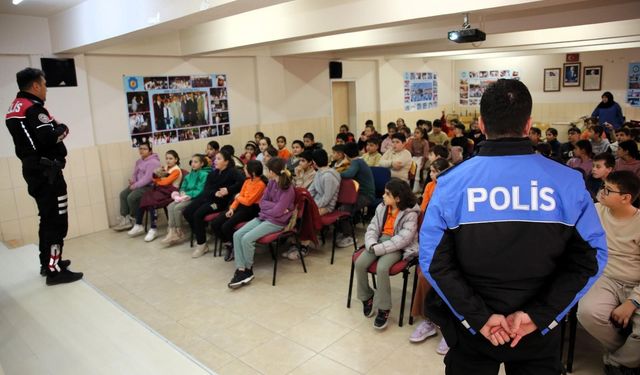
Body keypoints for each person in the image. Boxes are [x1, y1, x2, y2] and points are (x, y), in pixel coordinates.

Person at [420, 79, 607, 375]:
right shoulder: (568, 182)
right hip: (536, 330)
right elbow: (591, 257)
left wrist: (478, 317)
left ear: (481, 124)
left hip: (474, 329)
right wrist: (539, 316)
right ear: (528, 124)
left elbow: (433, 261)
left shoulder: (449, 184)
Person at [5, 67, 83, 285]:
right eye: (45, 84)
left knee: (47, 218)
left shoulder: (15, 108)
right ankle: (54, 270)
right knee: (56, 222)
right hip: (47, 172)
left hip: (35, 171)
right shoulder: (33, 108)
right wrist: (63, 128)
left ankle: (47, 262)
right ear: (36, 85)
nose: (46, 89)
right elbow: (50, 136)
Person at [578, 171, 640, 375]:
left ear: (625, 198)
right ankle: (626, 356)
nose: (601, 192)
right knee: (588, 313)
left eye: (608, 189)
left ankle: (617, 360)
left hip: (636, 283)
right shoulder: (596, 211)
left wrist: (632, 302)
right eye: (602, 186)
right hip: (606, 277)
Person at [356, 178, 419, 329]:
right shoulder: (382, 207)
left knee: (382, 268)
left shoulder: (411, 213)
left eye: (387, 194)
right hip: (379, 241)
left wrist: (379, 248)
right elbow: (373, 227)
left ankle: (384, 308)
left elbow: (403, 239)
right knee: (359, 263)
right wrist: (371, 243)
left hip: (398, 247)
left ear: (397, 198)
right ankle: (367, 296)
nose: (383, 196)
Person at [228, 158, 295, 288]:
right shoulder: (271, 183)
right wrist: (274, 206)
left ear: (272, 171)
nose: (265, 171)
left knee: (247, 239)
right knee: (237, 235)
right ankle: (241, 269)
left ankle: (248, 270)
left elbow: (277, 212)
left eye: (266, 169)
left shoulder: (288, 189)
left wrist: (275, 208)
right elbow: (262, 204)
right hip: (263, 216)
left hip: (276, 222)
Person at [411, 158, 451, 354]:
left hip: (456, 248)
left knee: (451, 278)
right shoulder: (430, 190)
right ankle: (430, 320)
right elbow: (427, 223)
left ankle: (449, 326)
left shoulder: (455, 192)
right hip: (436, 245)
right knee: (424, 275)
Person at [182, 150, 244, 258]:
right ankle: (200, 234)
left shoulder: (233, 172)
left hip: (220, 202)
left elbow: (242, 183)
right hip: (208, 197)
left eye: (219, 159)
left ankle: (202, 245)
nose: (215, 161)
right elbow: (206, 190)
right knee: (187, 211)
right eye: (215, 159)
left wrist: (228, 190)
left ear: (226, 162)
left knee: (198, 214)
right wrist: (215, 192)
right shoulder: (213, 173)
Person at [211, 160, 267, 262]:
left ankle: (236, 247)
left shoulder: (261, 184)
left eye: (246, 168)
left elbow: (248, 202)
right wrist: (232, 208)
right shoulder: (247, 181)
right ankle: (230, 244)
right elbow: (240, 198)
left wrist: (238, 197)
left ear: (253, 172)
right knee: (215, 223)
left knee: (226, 226)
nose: (244, 170)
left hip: (251, 210)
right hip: (240, 206)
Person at [129, 150, 183, 242]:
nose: (168, 161)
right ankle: (138, 224)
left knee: (151, 202)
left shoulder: (176, 170)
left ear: (176, 160)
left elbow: (165, 182)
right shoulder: (166, 167)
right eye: (166, 158)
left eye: (171, 159)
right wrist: (156, 174)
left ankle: (153, 229)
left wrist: (157, 179)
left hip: (171, 192)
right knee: (145, 197)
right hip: (161, 189)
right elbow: (155, 177)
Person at [113, 142, 161, 231]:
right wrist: (133, 181)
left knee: (131, 197)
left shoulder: (154, 162)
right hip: (139, 185)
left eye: (144, 149)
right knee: (123, 194)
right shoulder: (139, 161)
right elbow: (135, 174)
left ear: (150, 151)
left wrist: (135, 185)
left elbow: (147, 179)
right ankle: (125, 219)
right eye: (140, 148)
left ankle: (135, 219)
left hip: (149, 187)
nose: (141, 150)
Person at [162, 154, 209, 245]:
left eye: (196, 162)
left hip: (196, 198)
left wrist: (187, 194)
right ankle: (172, 230)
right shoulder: (189, 175)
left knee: (177, 208)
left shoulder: (204, 174)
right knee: (170, 206)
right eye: (192, 162)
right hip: (186, 196)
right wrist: (182, 192)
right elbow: (183, 187)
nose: (193, 164)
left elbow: (200, 190)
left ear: (202, 163)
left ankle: (179, 231)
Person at [336, 142, 375, 249]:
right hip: (360, 193)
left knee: (345, 208)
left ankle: (349, 236)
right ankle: (344, 231)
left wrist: (335, 173)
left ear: (346, 155)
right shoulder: (359, 161)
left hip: (366, 195)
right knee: (343, 205)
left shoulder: (356, 162)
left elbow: (349, 174)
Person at [405, 127, 430, 192]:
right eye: (414, 132)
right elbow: (410, 152)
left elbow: (425, 154)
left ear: (422, 135)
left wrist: (423, 163)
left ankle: (416, 187)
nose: (415, 134)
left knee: (417, 168)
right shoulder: (412, 141)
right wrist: (409, 143)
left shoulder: (425, 142)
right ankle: (408, 185)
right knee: (410, 166)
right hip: (414, 157)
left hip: (422, 157)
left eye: (417, 133)